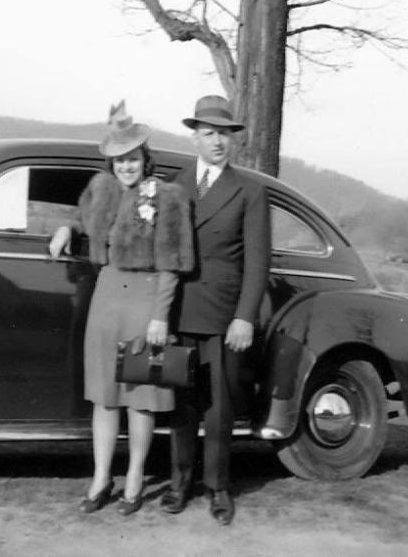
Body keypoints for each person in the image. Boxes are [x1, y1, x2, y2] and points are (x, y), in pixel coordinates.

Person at [49, 101, 194, 516]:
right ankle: (100, 478)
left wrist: (159, 316)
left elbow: (171, 263)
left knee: (140, 397)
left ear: (145, 159)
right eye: (119, 160)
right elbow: (84, 219)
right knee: (105, 397)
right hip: (107, 299)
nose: (126, 166)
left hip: (144, 302)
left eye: (132, 158)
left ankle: (134, 477)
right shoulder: (101, 189)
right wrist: (66, 226)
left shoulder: (167, 197)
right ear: (110, 163)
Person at [160, 94, 271, 526]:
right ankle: (179, 482)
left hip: (224, 316)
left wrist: (244, 316)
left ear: (233, 139)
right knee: (182, 404)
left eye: (224, 134)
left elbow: (258, 262)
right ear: (195, 138)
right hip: (179, 310)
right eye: (209, 133)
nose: (218, 142)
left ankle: (218, 487)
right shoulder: (174, 186)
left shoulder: (250, 190)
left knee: (220, 407)